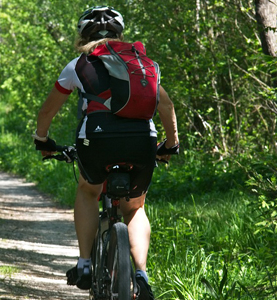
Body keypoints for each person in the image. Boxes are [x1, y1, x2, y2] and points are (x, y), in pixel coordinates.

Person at [32, 6, 179, 300]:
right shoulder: (144, 64)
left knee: (88, 190)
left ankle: (85, 265)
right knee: (135, 207)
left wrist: (43, 139)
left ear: (82, 36)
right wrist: (170, 144)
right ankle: (141, 274)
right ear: (119, 34)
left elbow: (48, 110)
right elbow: (166, 107)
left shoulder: (78, 65)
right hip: (142, 141)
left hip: (96, 142)